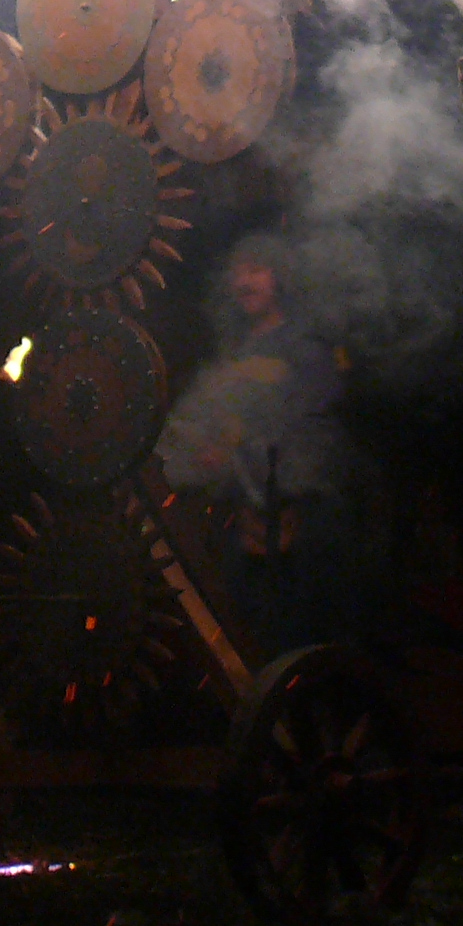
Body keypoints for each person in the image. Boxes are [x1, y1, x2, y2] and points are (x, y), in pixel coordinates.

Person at [154, 235, 359, 658]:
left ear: (279, 277)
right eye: (238, 273)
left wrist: (244, 462)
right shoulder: (237, 350)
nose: (244, 282)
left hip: (298, 524)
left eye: (256, 270)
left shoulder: (304, 348)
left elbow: (312, 434)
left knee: (299, 641)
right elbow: (213, 420)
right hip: (242, 517)